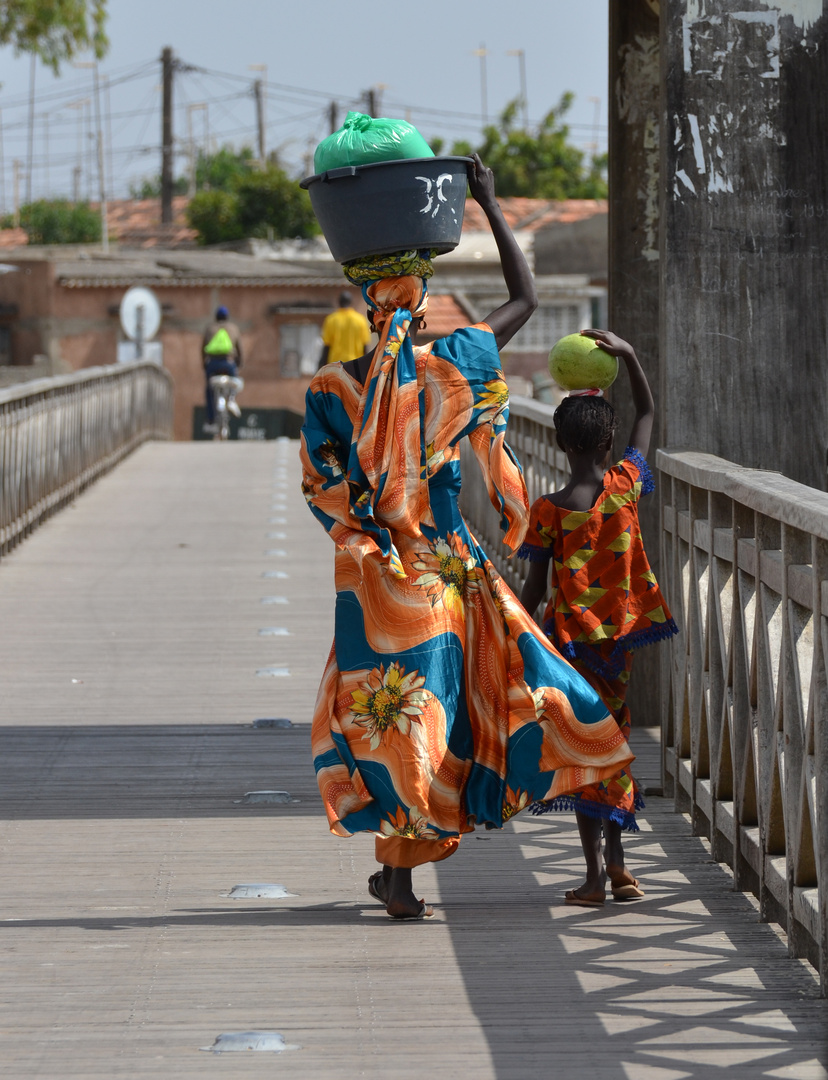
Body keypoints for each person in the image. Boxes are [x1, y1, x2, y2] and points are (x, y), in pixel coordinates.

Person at [300, 156, 635, 920]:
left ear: (361, 293)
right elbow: (527, 296)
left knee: (395, 724)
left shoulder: (329, 389)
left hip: (380, 580)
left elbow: (322, 489)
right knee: (494, 698)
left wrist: (362, 538)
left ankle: (401, 877)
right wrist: (484, 199)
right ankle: (410, 867)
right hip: (452, 576)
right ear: (421, 304)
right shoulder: (455, 363)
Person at [519, 330, 678, 907]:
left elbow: (533, 589)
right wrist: (631, 354)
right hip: (618, 648)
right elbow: (649, 412)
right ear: (609, 439)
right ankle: (618, 862)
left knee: (584, 751)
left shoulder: (549, 511)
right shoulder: (626, 489)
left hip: (567, 650)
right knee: (615, 738)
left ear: (561, 444)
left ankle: (594, 875)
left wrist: (515, 636)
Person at [202, 305, 243, 433]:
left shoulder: (210, 329)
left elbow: (203, 349)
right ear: (227, 317)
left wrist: (204, 365)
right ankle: (231, 399)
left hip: (212, 365)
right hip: (228, 364)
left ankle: (210, 418)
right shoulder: (233, 328)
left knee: (209, 390)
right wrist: (238, 364)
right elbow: (240, 350)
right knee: (235, 382)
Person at [318, 291, 372, 369]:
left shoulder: (331, 320)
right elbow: (365, 347)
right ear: (351, 303)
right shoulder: (360, 320)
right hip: (355, 365)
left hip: (335, 366)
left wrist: (322, 366)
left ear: (339, 302)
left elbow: (326, 347)